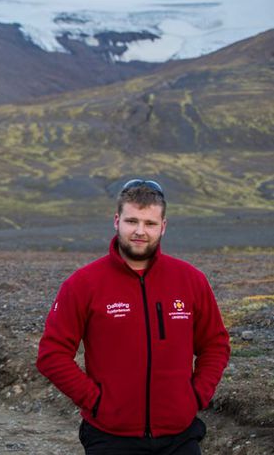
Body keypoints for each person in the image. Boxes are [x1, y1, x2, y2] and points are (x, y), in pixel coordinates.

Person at [36, 179, 230, 454]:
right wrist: (96, 401)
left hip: (180, 436)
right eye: (132, 221)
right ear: (116, 221)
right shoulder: (83, 284)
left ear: (163, 226)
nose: (140, 231)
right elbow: (51, 354)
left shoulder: (190, 280)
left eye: (150, 223)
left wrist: (197, 394)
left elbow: (215, 343)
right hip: (110, 437)